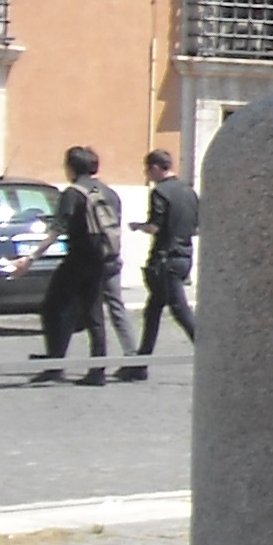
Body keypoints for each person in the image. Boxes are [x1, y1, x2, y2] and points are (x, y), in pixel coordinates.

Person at [31, 145, 128, 384]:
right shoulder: (109, 193)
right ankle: (98, 368)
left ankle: (55, 363)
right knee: (94, 312)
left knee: (54, 307)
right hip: (104, 258)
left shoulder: (72, 193)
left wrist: (32, 256)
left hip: (79, 257)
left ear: (71, 167)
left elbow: (58, 229)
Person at [116, 147, 198, 382]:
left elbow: (155, 226)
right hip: (184, 256)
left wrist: (138, 226)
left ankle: (208, 354)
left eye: (147, 170)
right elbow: (197, 227)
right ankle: (140, 363)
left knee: (180, 310)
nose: (147, 175)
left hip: (165, 259)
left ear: (154, 168)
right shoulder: (188, 192)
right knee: (152, 310)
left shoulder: (160, 192)